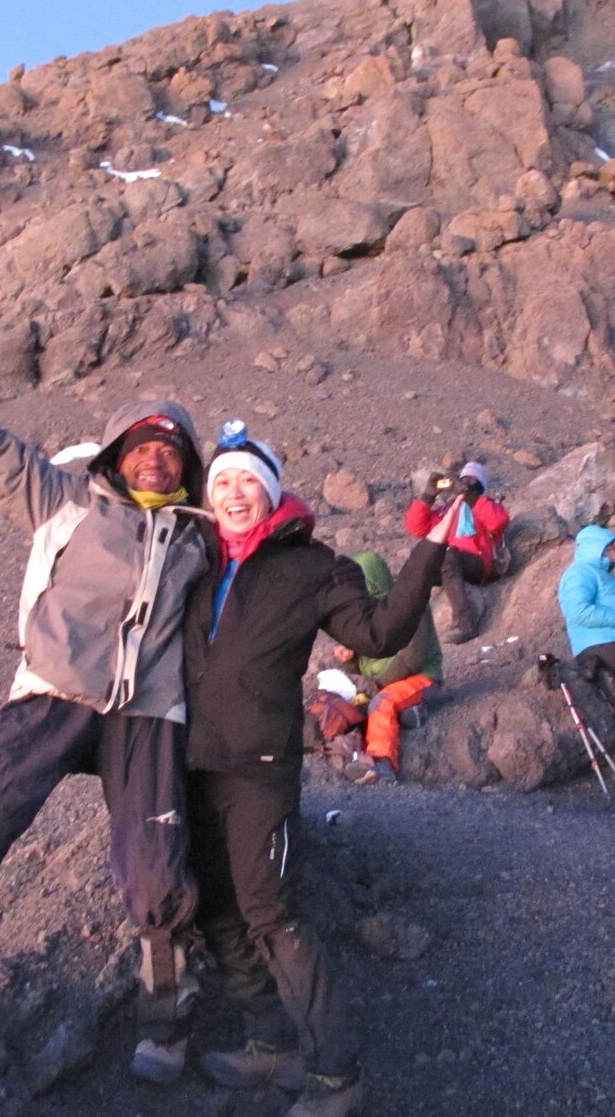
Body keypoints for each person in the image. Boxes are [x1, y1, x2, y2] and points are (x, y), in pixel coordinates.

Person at [0, 295, 210, 1084]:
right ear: (117, 452)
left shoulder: (201, 537)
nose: (155, 457)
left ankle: (166, 1020)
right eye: (142, 444)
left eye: (171, 448)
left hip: (148, 713)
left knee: (157, 865)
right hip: (56, 689)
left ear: (187, 464)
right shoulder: (63, 497)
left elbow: (260, 551)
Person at [184, 422, 452, 1117]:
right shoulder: (194, 557)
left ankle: (338, 1074)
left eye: (248, 481)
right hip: (194, 765)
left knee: (273, 914)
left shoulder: (311, 566)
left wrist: (429, 552)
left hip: (260, 769)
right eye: (222, 483)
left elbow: (377, 632)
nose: (235, 494)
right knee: (218, 908)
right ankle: (267, 1040)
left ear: (271, 491)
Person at [337, 550, 444, 782]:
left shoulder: (410, 603)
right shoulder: (361, 615)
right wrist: (350, 661)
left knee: (382, 702)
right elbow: (360, 671)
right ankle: (409, 715)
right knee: (346, 706)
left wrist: (372, 687)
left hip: (422, 678)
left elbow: (411, 661)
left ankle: (382, 762)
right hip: (382, 682)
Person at [405, 460, 510, 643]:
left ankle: (464, 622)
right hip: (450, 562)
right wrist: (427, 497)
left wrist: (471, 498)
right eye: (463, 479)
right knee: (419, 560)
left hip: (478, 563)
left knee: (449, 556)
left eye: (472, 480)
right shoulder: (448, 510)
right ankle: (405, 623)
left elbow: (498, 522)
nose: (466, 483)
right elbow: (417, 528)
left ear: (481, 485)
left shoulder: (486, 505)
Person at [559, 524, 615, 702]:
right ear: (596, 547)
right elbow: (578, 610)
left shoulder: (597, 573)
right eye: (610, 548)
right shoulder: (580, 572)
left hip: (612, 644)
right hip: (607, 644)